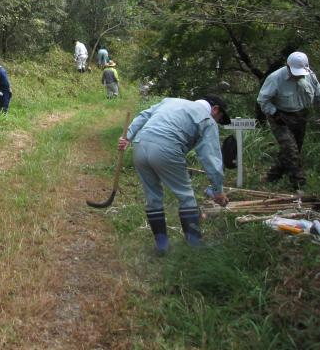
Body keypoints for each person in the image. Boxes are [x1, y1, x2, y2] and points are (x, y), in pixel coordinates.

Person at [118, 95, 231, 252]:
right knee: (186, 196)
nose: (217, 121)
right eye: (219, 118)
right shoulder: (207, 120)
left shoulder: (171, 101)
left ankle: (162, 246)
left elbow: (144, 115)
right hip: (166, 148)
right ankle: (194, 246)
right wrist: (218, 190)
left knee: (153, 197)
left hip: (140, 145)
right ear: (215, 109)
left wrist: (128, 136)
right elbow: (210, 158)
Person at [256, 51, 320, 188]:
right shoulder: (275, 78)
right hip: (279, 115)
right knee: (290, 148)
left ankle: (272, 177)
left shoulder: (310, 77)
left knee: (294, 148)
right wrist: (275, 114)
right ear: (288, 66)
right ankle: (298, 182)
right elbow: (263, 100)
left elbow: (318, 95)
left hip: (301, 114)